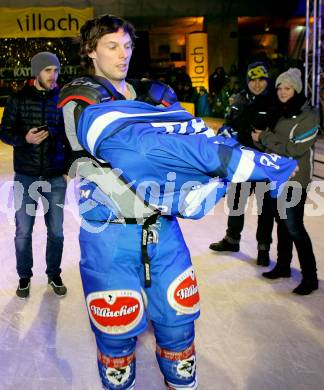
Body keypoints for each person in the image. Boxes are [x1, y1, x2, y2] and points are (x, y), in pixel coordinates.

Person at [58, 15, 297, 390]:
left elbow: (194, 137)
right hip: (109, 236)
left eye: (128, 46)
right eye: (112, 46)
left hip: (163, 228)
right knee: (116, 329)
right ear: (90, 51)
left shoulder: (153, 95)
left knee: (178, 324)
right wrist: (217, 159)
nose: (123, 55)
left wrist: (211, 164)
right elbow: (143, 151)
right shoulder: (81, 98)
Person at [0, 52, 69, 299]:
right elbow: (4, 132)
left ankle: (53, 273)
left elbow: (68, 137)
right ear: (37, 72)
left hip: (53, 176)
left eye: (56, 70)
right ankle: (24, 277)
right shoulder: (17, 99)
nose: (54, 75)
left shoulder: (61, 100)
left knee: (57, 232)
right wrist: (25, 139)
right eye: (49, 70)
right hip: (26, 176)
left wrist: (66, 167)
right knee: (23, 232)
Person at [252, 68, 319, 295]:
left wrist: (264, 137)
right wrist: (262, 140)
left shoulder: (309, 116)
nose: (282, 92)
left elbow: (294, 148)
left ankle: (310, 277)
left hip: (295, 179)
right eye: (279, 87)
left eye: (287, 88)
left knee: (293, 226)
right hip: (276, 175)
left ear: (296, 89)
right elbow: (269, 146)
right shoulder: (278, 111)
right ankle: (283, 266)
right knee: (281, 222)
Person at [209, 61, 276, 266]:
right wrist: (226, 131)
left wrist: (266, 139)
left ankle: (263, 248)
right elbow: (228, 122)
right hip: (242, 162)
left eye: (261, 80)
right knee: (236, 202)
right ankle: (232, 239)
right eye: (253, 80)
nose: (257, 84)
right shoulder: (238, 99)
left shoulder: (274, 101)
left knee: (266, 209)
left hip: (264, 164)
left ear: (267, 81)